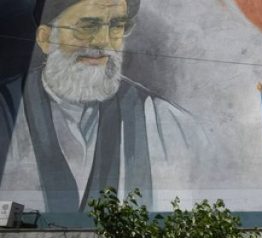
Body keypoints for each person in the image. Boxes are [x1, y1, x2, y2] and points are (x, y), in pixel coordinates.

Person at [0, 0, 199, 213]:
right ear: (46, 38)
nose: (103, 42)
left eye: (116, 26)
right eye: (87, 26)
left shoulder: (167, 123)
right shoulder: (6, 111)